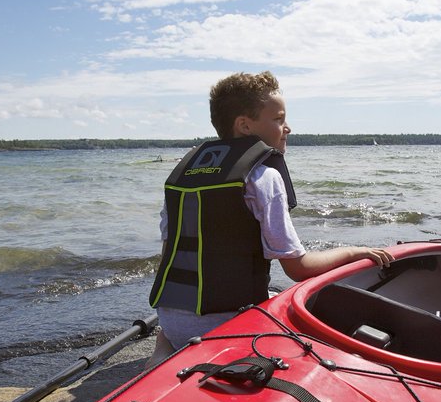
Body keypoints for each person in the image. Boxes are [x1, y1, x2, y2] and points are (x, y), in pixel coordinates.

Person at [147, 71, 392, 367]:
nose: (287, 128)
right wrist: (355, 252)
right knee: (308, 304)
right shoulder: (264, 177)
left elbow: (168, 257)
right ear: (245, 125)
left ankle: (165, 345)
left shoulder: (181, 177)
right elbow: (298, 269)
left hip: (172, 319)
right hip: (224, 329)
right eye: (278, 119)